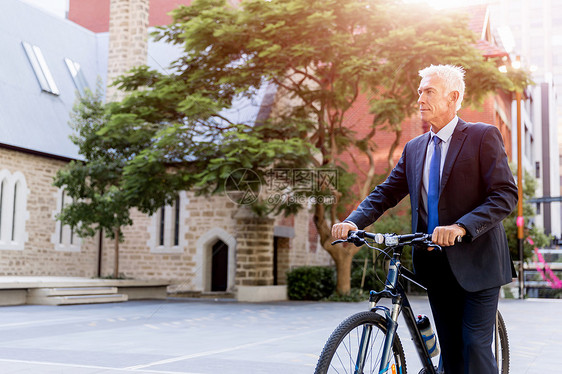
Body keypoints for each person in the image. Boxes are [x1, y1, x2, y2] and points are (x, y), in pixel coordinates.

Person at [332, 64, 517, 373]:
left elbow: (504, 195)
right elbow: (387, 192)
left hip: (479, 262)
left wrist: (461, 227)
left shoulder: (482, 136)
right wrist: (354, 221)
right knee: (451, 349)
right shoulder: (415, 147)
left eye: (429, 91)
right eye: (419, 91)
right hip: (436, 265)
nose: (420, 98)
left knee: (473, 344)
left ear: (452, 97)